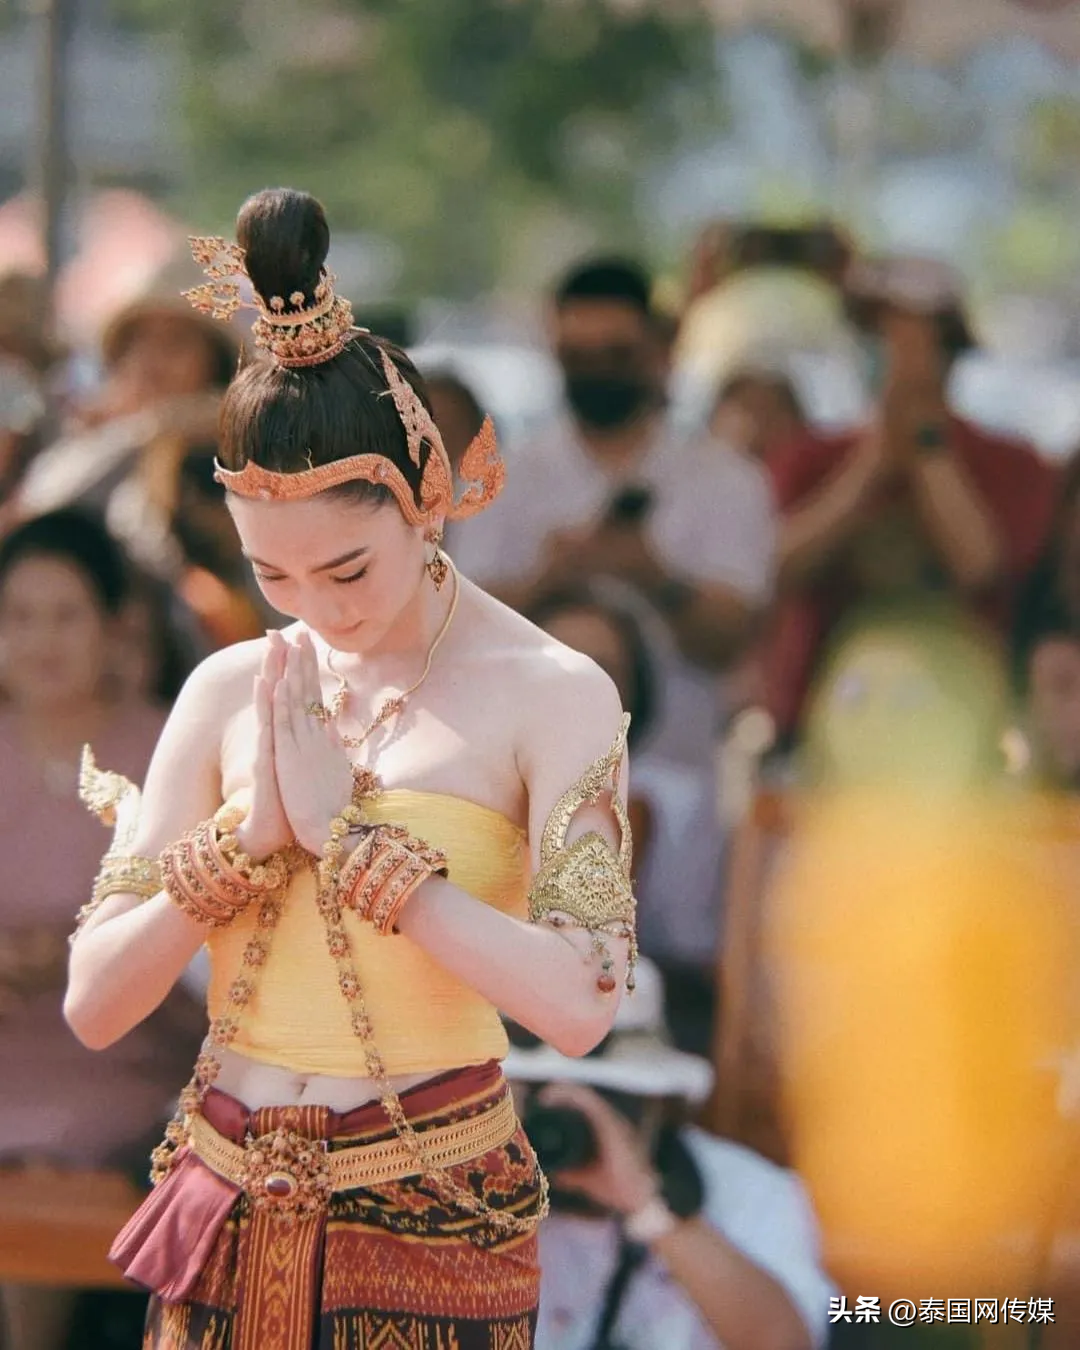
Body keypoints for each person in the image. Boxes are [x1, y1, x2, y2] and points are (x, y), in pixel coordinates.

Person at [64, 188, 637, 1350]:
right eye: (272, 575)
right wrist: (245, 843)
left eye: (348, 568)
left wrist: (362, 852)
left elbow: (581, 1005)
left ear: (428, 495)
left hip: (432, 1219)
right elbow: (96, 1003)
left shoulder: (553, 690)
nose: (317, 609)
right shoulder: (232, 687)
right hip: (222, 1197)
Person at [0, 510, 202, 1350]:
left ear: (117, 626)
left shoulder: (170, 751)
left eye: (66, 614)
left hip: (131, 1060)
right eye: (17, 616)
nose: (40, 640)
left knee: (50, 1152)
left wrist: (92, 956)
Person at [451, 256, 775, 771]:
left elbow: (733, 636)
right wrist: (547, 580)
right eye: (578, 357)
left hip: (679, 775)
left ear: (656, 353)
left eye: (615, 354)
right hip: (532, 772)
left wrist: (651, 574)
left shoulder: (726, 479)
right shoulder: (502, 479)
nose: (597, 372)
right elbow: (460, 631)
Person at [762, 255, 1060, 745]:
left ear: (949, 344)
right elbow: (778, 565)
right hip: (819, 730)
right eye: (875, 332)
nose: (889, 351)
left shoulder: (1013, 463)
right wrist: (869, 467)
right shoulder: (809, 459)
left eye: (908, 335)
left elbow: (982, 568)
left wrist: (926, 447)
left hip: (965, 737)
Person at [504, 957, 834, 1350]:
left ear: (659, 1103)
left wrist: (651, 1206)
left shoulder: (752, 1192)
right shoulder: (476, 1191)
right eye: (546, 1103)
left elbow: (788, 1343)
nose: (569, 1126)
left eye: (602, 1097)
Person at [526, 585, 724, 1057]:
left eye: (598, 668)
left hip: (637, 1036)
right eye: (550, 662)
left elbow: (695, 961)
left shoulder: (680, 802)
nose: (572, 684)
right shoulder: (471, 787)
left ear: (635, 690)